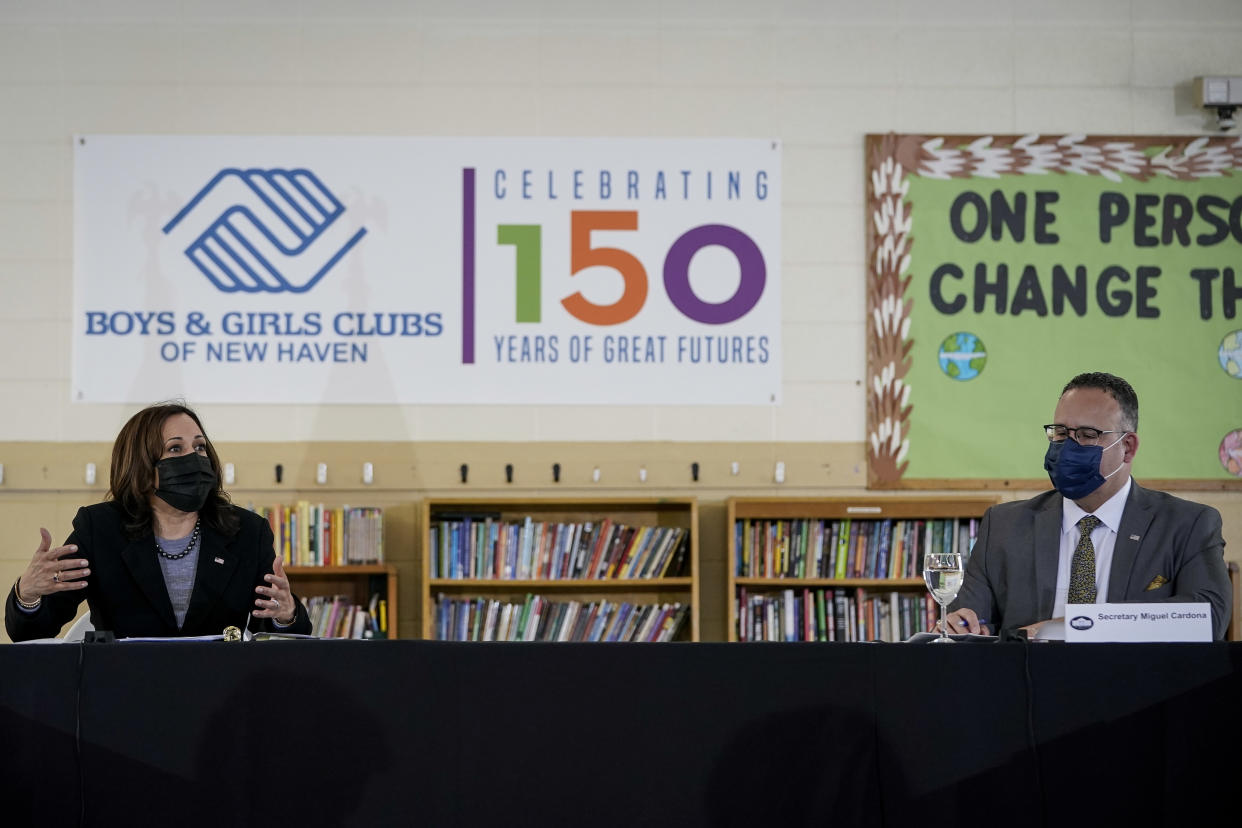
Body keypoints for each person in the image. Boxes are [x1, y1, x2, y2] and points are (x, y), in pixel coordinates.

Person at [946, 371, 1232, 640]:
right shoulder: (1004, 526)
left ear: (1128, 447)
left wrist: (1067, 629)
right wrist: (960, 625)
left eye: (1086, 435)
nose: (1067, 447)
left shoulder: (1187, 525)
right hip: (1030, 687)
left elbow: (1208, 619)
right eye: (1060, 432)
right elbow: (970, 623)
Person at [6, 402, 311, 640]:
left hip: (217, 691)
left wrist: (285, 615)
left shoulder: (248, 532)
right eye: (175, 448)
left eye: (200, 447)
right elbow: (30, 633)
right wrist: (28, 595)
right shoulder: (100, 530)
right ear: (140, 464)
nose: (194, 457)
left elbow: (275, 637)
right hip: (124, 692)